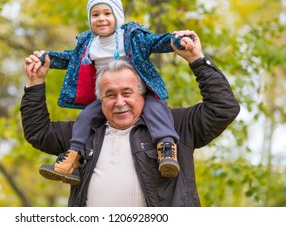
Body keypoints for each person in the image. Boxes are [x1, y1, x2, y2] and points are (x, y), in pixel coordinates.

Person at [20, 31, 240, 206]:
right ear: (99, 99)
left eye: (127, 93)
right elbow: (38, 133)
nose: (119, 102)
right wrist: (35, 83)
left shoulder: (176, 127)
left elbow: (223, 108)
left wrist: (197, 61)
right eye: (110, 95)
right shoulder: (84, 132)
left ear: (142, 93)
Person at [26, 0, 196, 185]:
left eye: (107, 13)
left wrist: (176, 40)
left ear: (117, 16)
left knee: (156, 109)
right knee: (85, 117)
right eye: (95, 15)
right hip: (107, 95)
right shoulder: (88, 45)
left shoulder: (130, 37)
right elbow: (68, 59)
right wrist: (44, 58)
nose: (101, 19)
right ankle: (74, 157)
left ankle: (166, 148)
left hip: (136, 92)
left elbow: (156, 42)